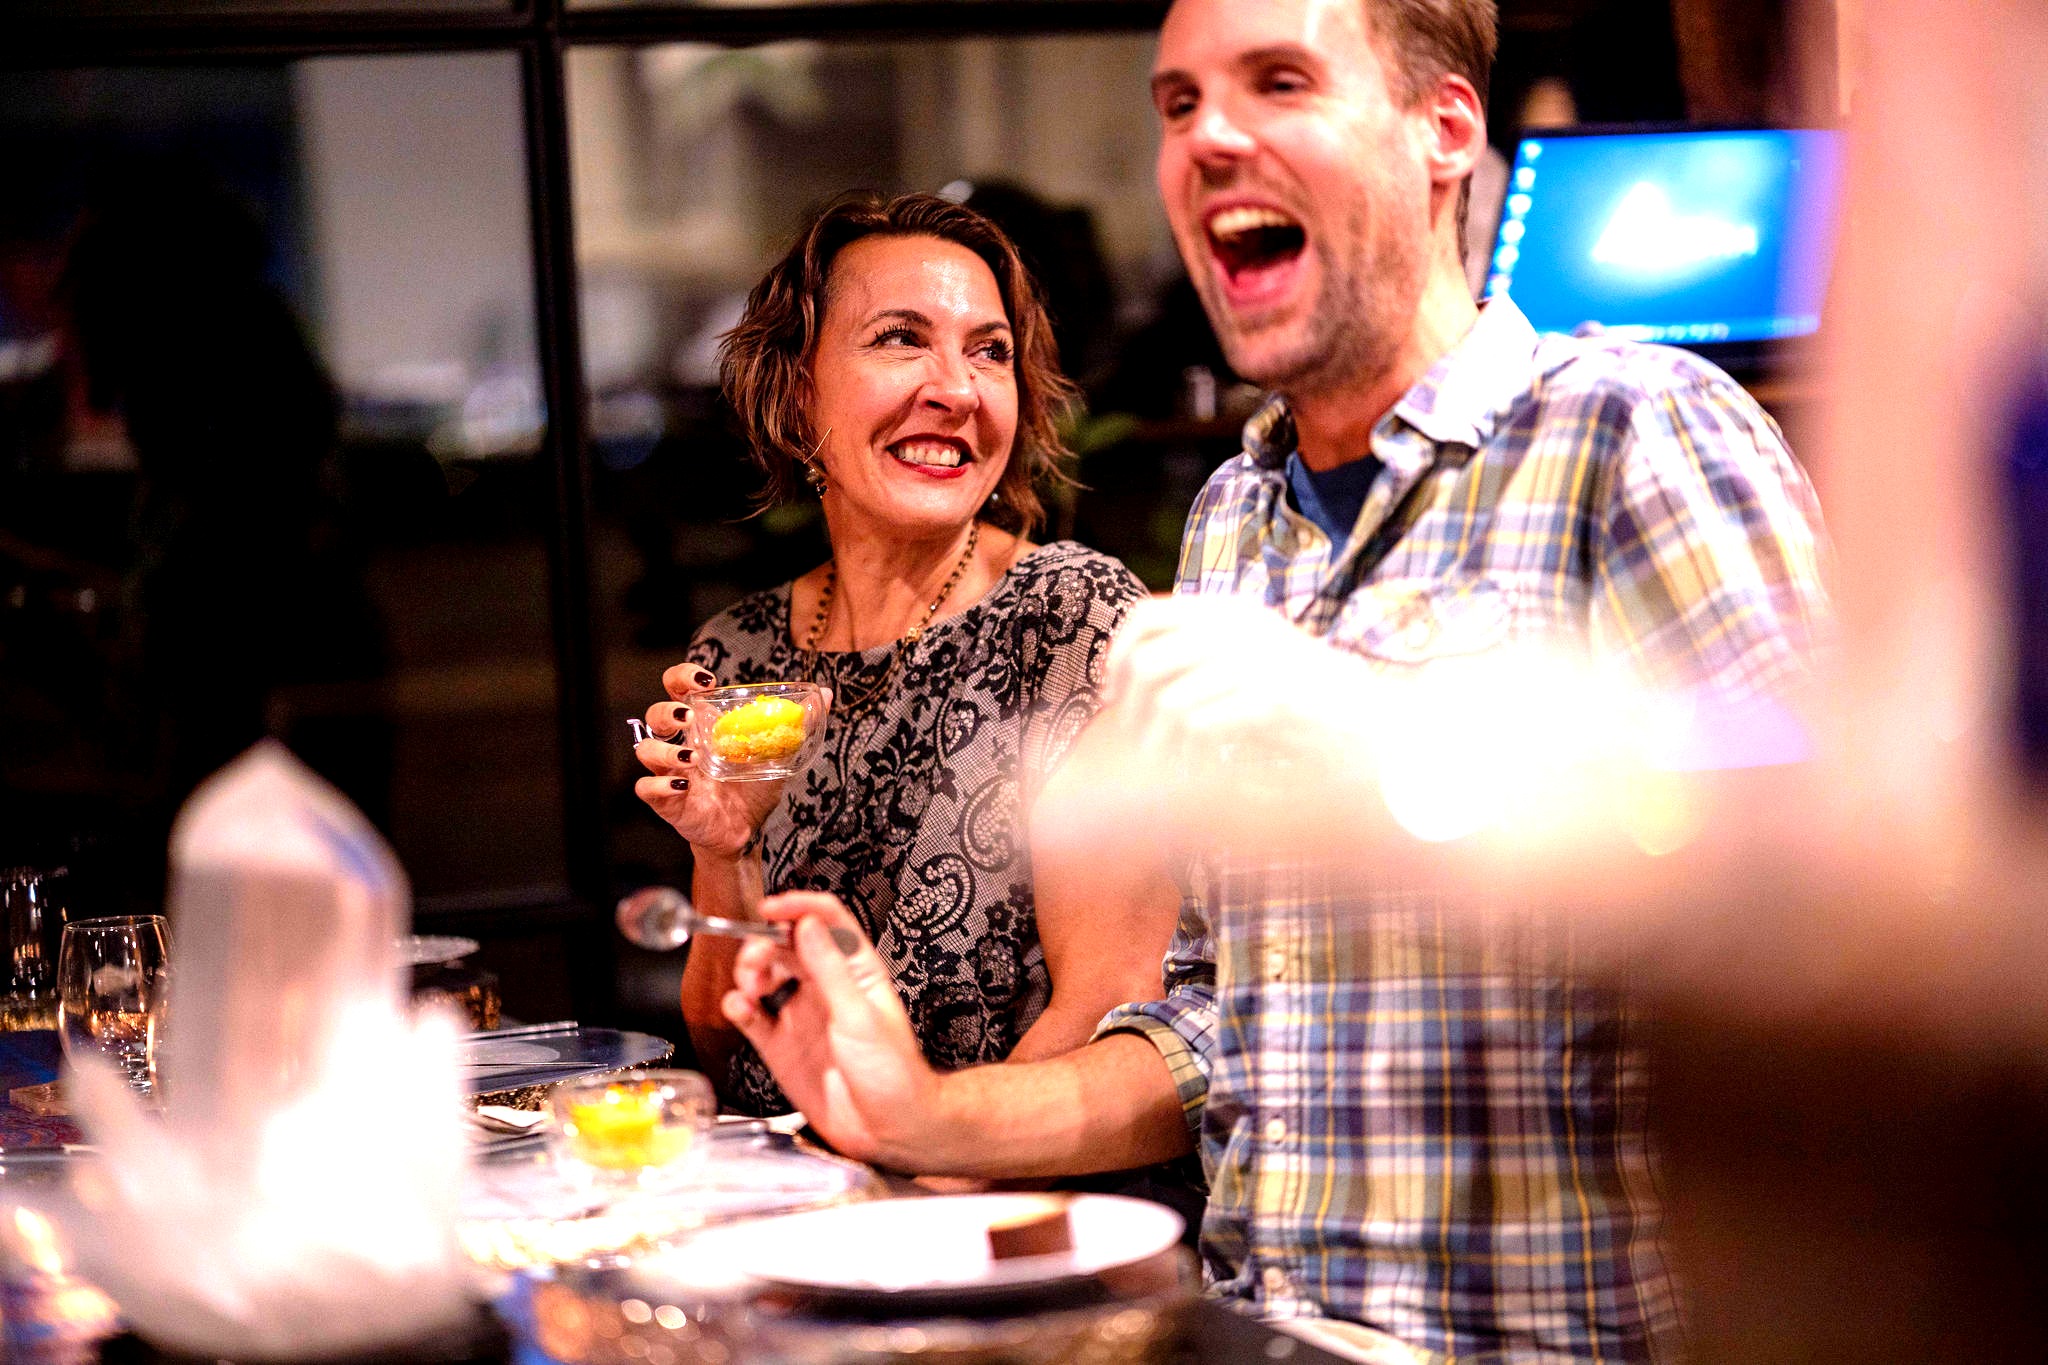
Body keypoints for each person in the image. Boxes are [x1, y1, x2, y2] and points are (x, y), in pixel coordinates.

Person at [717, 1, 1830, 1361]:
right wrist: (914, 1113)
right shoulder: (1236, 521)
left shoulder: (1633, 426)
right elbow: (1213, 1026)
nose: (1210, 137)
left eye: (1278, 81)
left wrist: (1376, 728)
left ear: (1444, 132)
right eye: (1178, 104)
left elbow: (1831, 893)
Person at [634, 193, 1177, 1115]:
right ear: (797, 391)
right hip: (800, 1197)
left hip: (1005, 1219)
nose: (957, 389)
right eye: (900, 339)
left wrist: (917, 1169)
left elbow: (1112, 1010)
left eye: (990, 351)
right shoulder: (742, 650)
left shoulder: (1074, 621)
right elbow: (726, 1041)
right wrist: (727, 853)